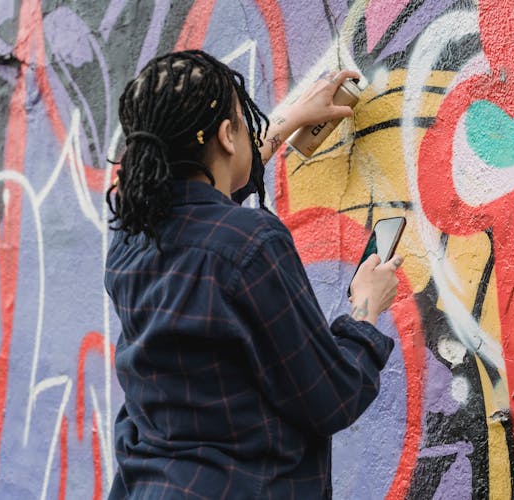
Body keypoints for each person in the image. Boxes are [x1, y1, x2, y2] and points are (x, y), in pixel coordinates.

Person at [104, 49, 403, 499]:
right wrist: (366, 306)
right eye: (243, 122)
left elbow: (205, 200)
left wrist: (287, 123)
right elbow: (332, 395)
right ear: (227, 135)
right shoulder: (250, 242)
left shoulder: (130, 238)